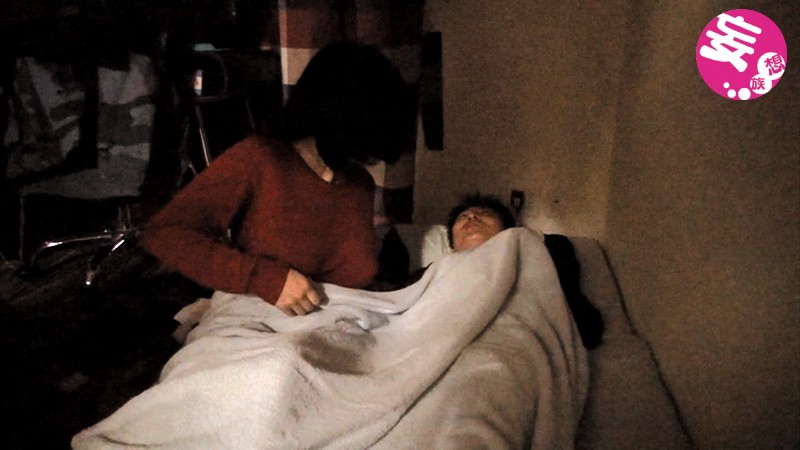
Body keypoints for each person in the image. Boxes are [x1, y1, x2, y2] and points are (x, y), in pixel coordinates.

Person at [140, 41, 413, 317]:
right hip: (265, 323)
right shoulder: (260, 159)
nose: (367, 159)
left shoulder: (359, 184)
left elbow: (352, 272)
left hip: (344, 326)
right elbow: (165, 233)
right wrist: (264, 278)